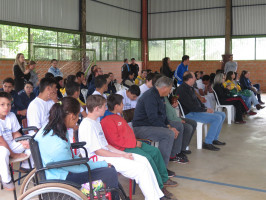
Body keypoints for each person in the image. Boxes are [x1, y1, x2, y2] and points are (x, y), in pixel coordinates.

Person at [78, 95, 164, 200]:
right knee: (140, 168)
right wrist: (121, 155)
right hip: (96, 159)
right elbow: (99, 151)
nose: (106, 108)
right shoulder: (87, 125)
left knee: (144, 160)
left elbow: (106, 145)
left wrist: (122, 154)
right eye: (104, 106)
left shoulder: (96, 123)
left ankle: (158, 195)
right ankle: (152, 198)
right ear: (96, 108)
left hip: (105, 153)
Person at [34, 97, 120, 199]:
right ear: (71, 116)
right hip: (62, 179)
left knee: (106, 169)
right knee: (109, 172)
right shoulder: (58, 145)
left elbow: (71, 159)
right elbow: (76, 168)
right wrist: (101, 164)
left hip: (56, 171)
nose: (78, 119)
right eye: (78, 116)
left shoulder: (50, 128)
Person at [101, 94, 178, 199]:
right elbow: (115, 140)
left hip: (133, 143)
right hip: (124, 148)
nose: (123, 105)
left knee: (155, 151)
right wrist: (133, 143)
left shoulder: (118, 116)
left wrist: (135, 141)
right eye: (122, 103)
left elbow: (126, 134)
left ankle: (164, 178)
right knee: (148, 158)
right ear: (116, 106)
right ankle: (159, 187)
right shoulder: (107, 120)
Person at [132, 76, 184, 175]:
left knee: (177, 125)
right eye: (169, 89)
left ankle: (172, 155)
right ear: (164, 88)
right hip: (141, 127)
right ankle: (161, 168)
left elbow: (163, 115)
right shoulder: (149, 97)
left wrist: (169, 125)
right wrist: (169, 128)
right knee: (168, 134)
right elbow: (153, 119)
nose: (169, 92)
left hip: (151, 124)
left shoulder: (160, 96)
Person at [175, 71, 226, 151]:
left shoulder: (190, 87)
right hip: (190, 114)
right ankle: (207, 142)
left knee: (222, 114)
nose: (196, 78)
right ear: (189, 79)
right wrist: (205, 110)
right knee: (217, 118)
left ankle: (214, 139)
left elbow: (197, 101)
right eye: (194, 77)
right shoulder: (182, 90)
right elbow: (191, 107)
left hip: (197, 111)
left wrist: (205, 108)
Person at [0, 92, 33, 191]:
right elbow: (1, 142)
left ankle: (25, 164)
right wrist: (14, 155)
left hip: (10, 145)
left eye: (8, 104)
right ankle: (6, 179)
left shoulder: (11, 115)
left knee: (32, 138)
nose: (6, 107)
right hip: (2, 148)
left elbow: (15, 133)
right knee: (3, 151)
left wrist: (22, 141)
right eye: (2, 104)